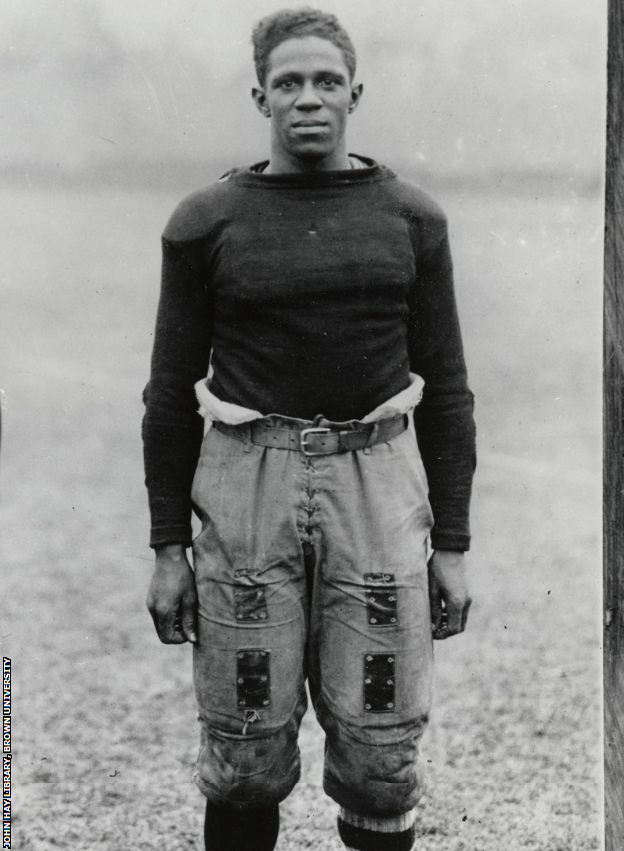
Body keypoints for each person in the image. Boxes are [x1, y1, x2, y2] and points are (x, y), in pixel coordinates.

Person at [142, 8, 476, 851]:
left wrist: (455, 544)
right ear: (260, 96)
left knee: (381, 733)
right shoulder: (205, 221)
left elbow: (449, 391)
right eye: (288, 83)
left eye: (326, 81)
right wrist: (166, 549)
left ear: (355, 93)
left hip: (376, 480)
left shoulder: (412, 218)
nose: (308, 100)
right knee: (246, 735)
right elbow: (169, 393)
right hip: (249, 477)